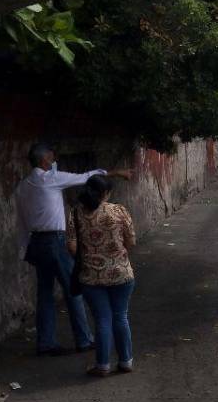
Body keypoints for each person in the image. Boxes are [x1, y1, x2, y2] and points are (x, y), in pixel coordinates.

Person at [15, 143, 131, 356]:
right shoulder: (50, 179)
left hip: (37, 243)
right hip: (55, 241)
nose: (53, 162)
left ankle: (46, 342)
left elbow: (21, 222)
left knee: (45, 293)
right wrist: (116, 173)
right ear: (44, 161)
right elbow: (86, 177)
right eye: (51, 158)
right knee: (73, 289)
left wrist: (24, 249)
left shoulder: (23, 186)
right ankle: (84, 339)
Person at [67, 175, 137, 377]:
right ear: (106, 193)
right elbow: (131, 241)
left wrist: (89, 257)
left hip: (91, 276)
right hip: (121, 274)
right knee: (121, 316)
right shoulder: (119, 210)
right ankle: (126, 361)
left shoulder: (76, 213)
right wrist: (115, 255)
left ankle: (103, 365)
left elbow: (71, 247)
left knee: (102, 320)